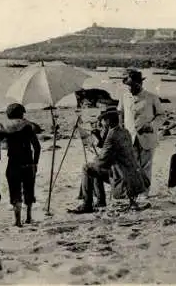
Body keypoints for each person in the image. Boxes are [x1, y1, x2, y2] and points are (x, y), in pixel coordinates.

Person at [68, 109, 149, 214]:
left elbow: (103, 161)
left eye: (102, 120)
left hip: (122, 177)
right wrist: (100, 139)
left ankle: (87, 204)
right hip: (133, 174)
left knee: (87, 168)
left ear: (108, 121)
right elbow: (113, 149)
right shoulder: (125, 132)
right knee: (94, 167)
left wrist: (95, 158)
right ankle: (100, 201)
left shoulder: (112, 135)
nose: (100, 123)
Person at [118, 69, 164, 199]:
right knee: (132, 166)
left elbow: (161, 115)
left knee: (146, 166)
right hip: (129, 137)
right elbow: (120, 113)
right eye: (128, 86)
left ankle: (144, 192)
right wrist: (121, 130)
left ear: (140, 84)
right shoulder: (124, 96)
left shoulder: (152, 97)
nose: (130, 89)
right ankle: (133, 191)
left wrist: (152, 126)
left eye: (132, 86)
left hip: (147, 138)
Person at [3, 103, 41, 227]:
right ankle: (29, 217)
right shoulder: (27, 127)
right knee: (29, 190)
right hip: (28, 162)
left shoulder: (6, 128)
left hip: (13, 162)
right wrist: (35, 163)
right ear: (22, 113)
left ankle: (17, 220)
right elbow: (37, 147)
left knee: (15, 191)